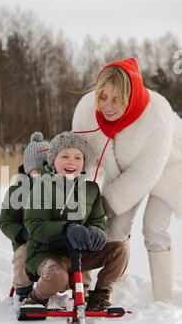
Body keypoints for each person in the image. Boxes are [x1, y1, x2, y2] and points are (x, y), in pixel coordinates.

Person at [72, 58, 182, 304]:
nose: (107, 106)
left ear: (129, 96)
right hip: (123, 170)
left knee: (153, 227)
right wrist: (78, 201)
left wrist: (105, 204)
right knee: (115, 228)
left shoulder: (156, 115)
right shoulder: (86, 112)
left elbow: (145, 173)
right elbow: (83, 159)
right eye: (103, 97)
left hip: (171, 166)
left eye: (116, 100)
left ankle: (163, 296)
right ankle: (118, 284)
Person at [23, 132, 129, 311]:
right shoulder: (42, 186)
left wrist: (97, 230)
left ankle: (100, 296)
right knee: (58, 276)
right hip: (48, 254)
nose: (71, 161)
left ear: (84, 163)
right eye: (64, 156)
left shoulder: (91, 190)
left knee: (121, 250)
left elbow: (97, 219)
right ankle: (36, 298)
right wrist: (67, 229)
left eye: (78, 157)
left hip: (80, 254)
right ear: (53, 160)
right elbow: (35, 225)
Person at [0, 132, 50, 302]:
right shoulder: (17, 192)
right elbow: (5, 221)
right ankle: (23, 291)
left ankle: (77, 288)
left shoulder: (57, 188)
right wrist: (21, 234)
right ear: (28, 170)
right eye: (37, 169)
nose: (42, 172)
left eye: (47, 167)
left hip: (52, 240)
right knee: (22, 255)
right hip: (27, 241)